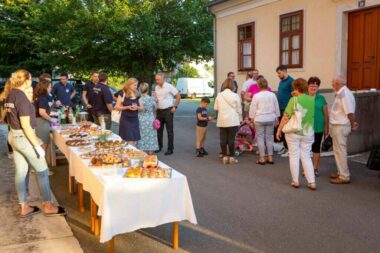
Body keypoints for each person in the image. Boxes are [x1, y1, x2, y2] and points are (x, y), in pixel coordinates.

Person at [3, 69, 66, 217]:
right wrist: (37, 145)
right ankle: (48, 206)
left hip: (14, 136)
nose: (32, 81)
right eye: (30, 79)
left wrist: (34, 139)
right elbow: (25, 125)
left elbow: (12, 121)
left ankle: (24, 206)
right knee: (42, 171)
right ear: (26, 80)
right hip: (23, 137)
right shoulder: (22, 98)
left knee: (21, 172)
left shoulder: (10, 94)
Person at [276, 78, 316, 190]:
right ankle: (311, 181)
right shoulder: (311, 100)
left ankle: (295, 180)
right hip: (308, 132)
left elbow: (285, 117)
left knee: (293, 155)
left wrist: (279, 129)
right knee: (306, 156)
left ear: (295, 88)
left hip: (294, 132)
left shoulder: (293, 100)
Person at [329, 75, 357, 184]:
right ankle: (341, 172)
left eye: (333, 83)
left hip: (341, 126)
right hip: (338, 126)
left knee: (340, 151)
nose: (332, 85)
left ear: (337, 83)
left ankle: (344, 176)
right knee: (338, 151)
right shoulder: (341, 93)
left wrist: (352, 124)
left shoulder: (344, 94)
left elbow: (349, 112)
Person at [249, 78, 280, 165]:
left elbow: (253, 108)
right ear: (267, 85)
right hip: (270, 118)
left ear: (258, 85)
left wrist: (252, 118)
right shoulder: (272, 95)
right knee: (269, 138)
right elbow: (276, 106)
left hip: (259, 119)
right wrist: (277, 117)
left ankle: (262, 158)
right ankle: (270, 157)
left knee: (260, 138)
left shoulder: (256, 96)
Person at [214, 79, 242, 164]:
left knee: (223, 139)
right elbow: (239, 109)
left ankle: (225, 156)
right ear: (232, 86)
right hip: (233, 120)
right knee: (231, 139)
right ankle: (232, 157)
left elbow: (216, 108)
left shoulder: (219, 95)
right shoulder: (235, 95)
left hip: (222, 119)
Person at [33, 79, 56, 176]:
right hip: (41, 123)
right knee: (42, 147)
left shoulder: (42, 97)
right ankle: (42, 170)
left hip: (40, 122)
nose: (51, 88)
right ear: (46, 87)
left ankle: (39, 168)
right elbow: (42, 112)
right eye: (50, 86)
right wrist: (52, 119)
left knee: (41, 146)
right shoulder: (43, 98)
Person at [154, 73, 181, 155]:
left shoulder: (169, 86)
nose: (156, 81)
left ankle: (170, 149)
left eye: (158, 79)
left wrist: (175, 107)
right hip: (159, 111)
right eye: (156, 79)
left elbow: (178, 96)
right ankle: (159, 146)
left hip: (168, 111)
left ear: (163, 79)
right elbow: (157, 99)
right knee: (159, 130)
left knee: (169, 131)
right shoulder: (156, 87)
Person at [307, 77, 329, 176]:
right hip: (306, 127)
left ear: (318, 87)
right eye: (311, 85)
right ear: (308, 86)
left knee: (316, 147)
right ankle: (307, 168)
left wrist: (326, 127)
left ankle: (315, 168)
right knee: (306, 149)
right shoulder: (303, 97)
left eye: (315, 86)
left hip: (318, 127)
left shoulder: (321, 98)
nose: (313, 87)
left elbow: (326, 114)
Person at [115, 78, 142, 145]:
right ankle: (129, 154)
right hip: (125, 120)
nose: (136, 87)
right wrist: (127, 107)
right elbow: (116, 107)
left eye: (137, 85)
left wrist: (137, 107)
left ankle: (131, 154)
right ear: (129, 85)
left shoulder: (137, 94)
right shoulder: (122, 93)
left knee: (134, 141)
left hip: (135, 120)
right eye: (134, 85)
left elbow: (142, 108)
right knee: (129, 140)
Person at [276, 65, 294, 156]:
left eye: (279, 73)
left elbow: (294, 95)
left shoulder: (291, 81)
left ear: (284, 71)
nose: (278, 75)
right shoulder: (281, 82)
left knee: (287, 129)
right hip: (281, 108)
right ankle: (284, 147)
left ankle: (289, 149)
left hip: (287, 109)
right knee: (282, 128)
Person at [137, 83, 159, 153]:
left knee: (142, 136)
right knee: (151, 136)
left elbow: (141, 109)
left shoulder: (139, 99)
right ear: (147, 90)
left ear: (140, 90)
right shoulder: (151, 98)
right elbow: (156, 108)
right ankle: (150, 152)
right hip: (150, 119)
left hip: (141, 119)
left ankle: (142, 151)